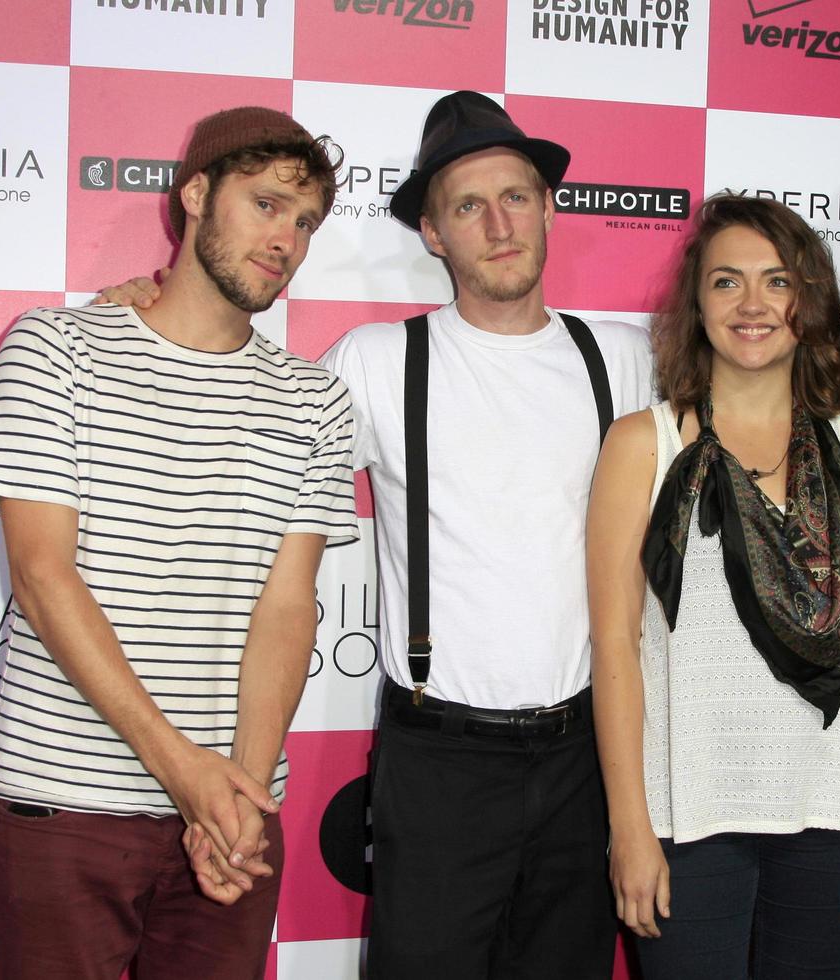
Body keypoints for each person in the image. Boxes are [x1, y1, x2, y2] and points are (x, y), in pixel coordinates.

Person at [100, 92, 654, 978]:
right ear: (432, 234)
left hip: (591, 754)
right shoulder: (374, 361)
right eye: (467, 206)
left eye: (515, 197)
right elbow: (244, 422)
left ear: (550, 207)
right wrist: (147, 310)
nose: (498, 224)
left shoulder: (629, 358)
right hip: (440, 759)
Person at [0, 106, 356, 977]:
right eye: (264, 205)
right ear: (194, 193)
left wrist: (239, 799)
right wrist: (188, 776)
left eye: (304, 222)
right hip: (67, 807)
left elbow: (289, 607)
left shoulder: (315, 401)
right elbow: (41, 578)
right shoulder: (53, 350)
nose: (285, 240)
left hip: (236, 820)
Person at [586, 194, 840, 980]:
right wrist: (630, 827)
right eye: (728, 282)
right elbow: (617, 649)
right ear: (697, 303)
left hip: (831, 810)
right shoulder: (643, 444)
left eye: (777, 281)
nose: (754, 304)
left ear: (809, 300)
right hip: (686, 816)